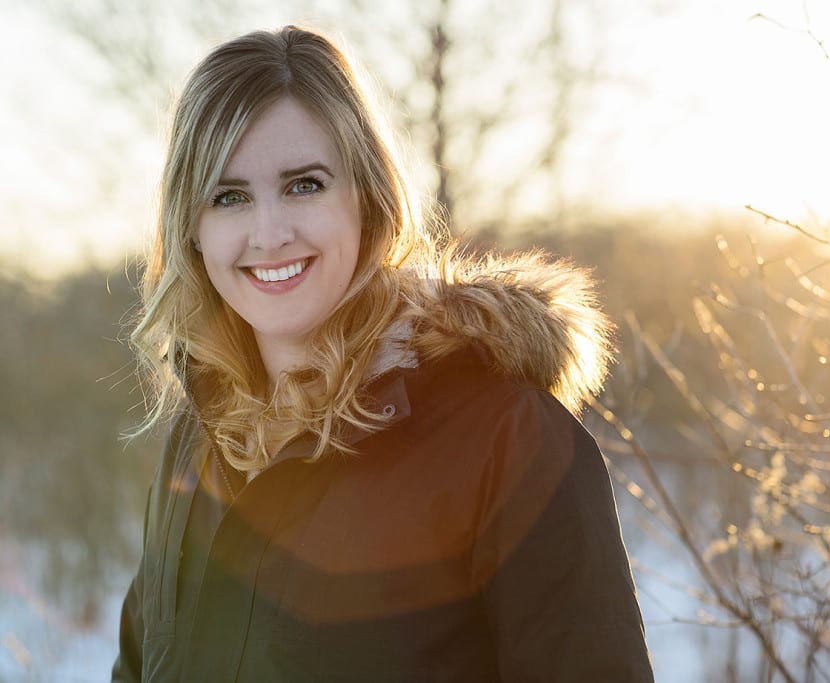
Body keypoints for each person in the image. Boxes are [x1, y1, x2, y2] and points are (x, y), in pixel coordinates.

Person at [112, 25, 654, 682]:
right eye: (229, 196)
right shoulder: (195, 445)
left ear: (367, 197)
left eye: (304, 184)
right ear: (192, 230)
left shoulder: (506, 441)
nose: (270, 232)